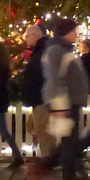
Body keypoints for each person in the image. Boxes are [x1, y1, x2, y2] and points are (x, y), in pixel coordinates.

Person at [42, 16, 90, 180]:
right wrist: (60, 106)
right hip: (65, 103)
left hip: (71, 102)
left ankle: (46, 167)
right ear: (67, 31)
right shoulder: (57, 50)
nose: (76, 34)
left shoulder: (62, 49)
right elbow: (55, 79)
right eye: (74, 31)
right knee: (69, 142)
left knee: (68, 141)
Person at [21, 23, 56, 171]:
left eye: (27, 36)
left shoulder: (42, 51)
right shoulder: (42, 50)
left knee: (42, 129)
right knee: (38, 127)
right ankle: (49, 156)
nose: (25, 39)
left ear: (35, 36)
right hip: (40, 96)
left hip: (41, 96)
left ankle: (49, 157)